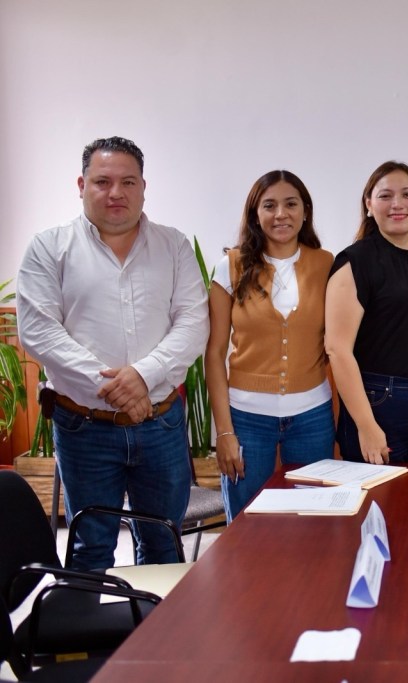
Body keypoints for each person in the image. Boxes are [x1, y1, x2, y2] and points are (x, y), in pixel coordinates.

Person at [16, 136, 209, 569]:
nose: (115, 192)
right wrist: (120, 389)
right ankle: (92, 619)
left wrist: (142, 376)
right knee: (90, 548)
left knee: (163, 544)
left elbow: (193, 323)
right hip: (84, 427)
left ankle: (155, 619)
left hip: (160, 424)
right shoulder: (49, 247)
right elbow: (39, 331)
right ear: (81, 185)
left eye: (128, 182)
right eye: (102, 181)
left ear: (144, 187)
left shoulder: (174, 246)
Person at [205, 171, 335, 522]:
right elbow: (214, 354)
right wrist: (224, 432)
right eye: (269, 205)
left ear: (305, 211)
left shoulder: (327, 264)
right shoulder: (230, 266)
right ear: (255, 213)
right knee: (247, 526)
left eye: (291, 204)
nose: (281, 214)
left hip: (312, 417)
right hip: (246, 419)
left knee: (313, 522)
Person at [325, 161, 408, 464]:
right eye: (385, 196)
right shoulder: (354, 262)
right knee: (381, 494)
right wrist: (366, 425)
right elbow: (337, 349)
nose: (398, 204)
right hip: (379, 402)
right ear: (369, 205)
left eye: (407, 194)